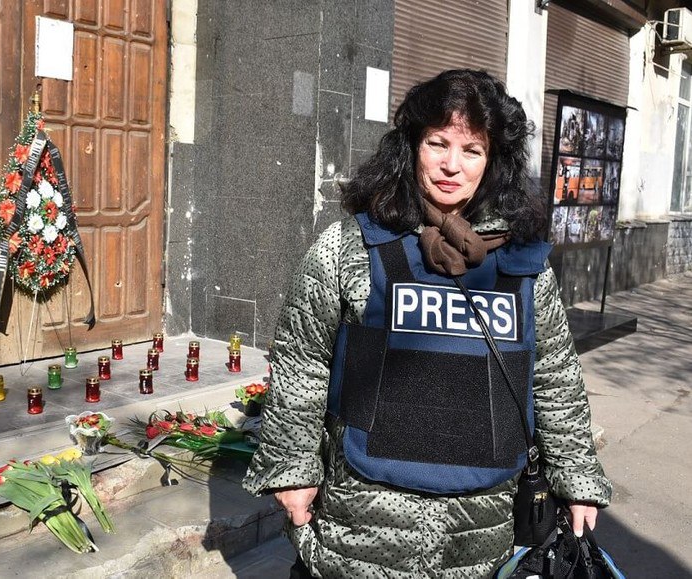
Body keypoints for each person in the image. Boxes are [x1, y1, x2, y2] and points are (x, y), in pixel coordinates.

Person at [242, 69, 612, 578]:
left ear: (493, 162)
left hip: (482, 527)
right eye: (438, 143)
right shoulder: (349, 247)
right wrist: (291, 468)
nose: (451, 165)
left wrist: (577, 476)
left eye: (472, 150)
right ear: (411, 147)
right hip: (360, 520)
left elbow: (554, 377)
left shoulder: (523, 265)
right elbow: (302, 361)